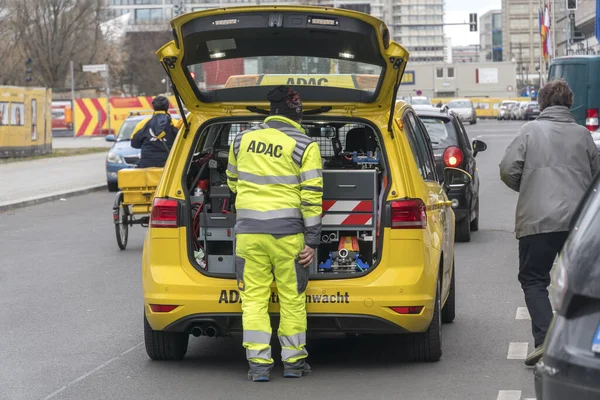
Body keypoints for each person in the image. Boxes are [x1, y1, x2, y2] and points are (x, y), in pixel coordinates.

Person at [499, 79, 600, 366]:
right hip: (578, 224)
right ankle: (579, 343)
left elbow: (507, 170)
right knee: (580, 281)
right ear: (570, 103)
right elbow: (596, 177)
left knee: (533, 279)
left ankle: (544, 340)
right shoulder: (583, 135)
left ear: (541, 103)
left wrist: (529, 187)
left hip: (537, 220)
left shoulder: (528, 131)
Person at [226, 85, 323, 382]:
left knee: (253, 300)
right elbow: (312, 196)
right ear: (297, 111)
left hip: (249, 235)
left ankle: (258, 366)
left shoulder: (241, 140)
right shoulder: (305, 146)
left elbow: (232, 180)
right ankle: (293, 364)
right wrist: (312, 241)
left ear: (270, 111)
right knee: (292, 299)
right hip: (288, 238)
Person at [130, 95, 182, 168]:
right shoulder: (176, 124)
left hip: (146, 166)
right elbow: (183, 144)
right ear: (167, 107)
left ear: (153, 107)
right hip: (168, 167)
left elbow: (134, 144)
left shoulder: (143, 124)